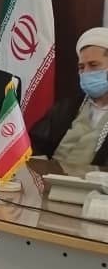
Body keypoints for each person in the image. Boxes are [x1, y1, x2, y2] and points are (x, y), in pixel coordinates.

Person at [30, 27, 108, 166]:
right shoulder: (65, 108)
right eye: (81, 67)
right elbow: (35, 144)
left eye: (93, 65)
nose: (86, 72)